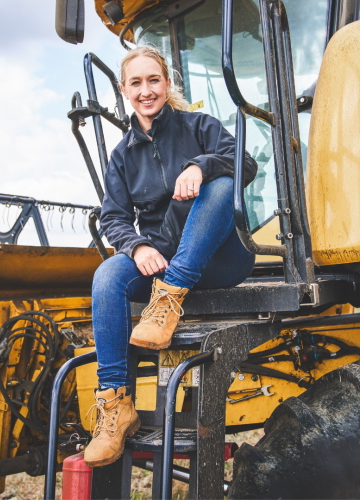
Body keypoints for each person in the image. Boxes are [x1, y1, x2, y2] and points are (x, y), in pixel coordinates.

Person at [83, 46, 258, 467]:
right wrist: (138, 247)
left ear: (166, 84)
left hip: (221, 259)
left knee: (218, 183)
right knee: (107, 276)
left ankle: (167, 301)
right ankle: (115, 405)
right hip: (162, 255)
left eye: (154, 80)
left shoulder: (200, 126)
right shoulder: (123, 155)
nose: (146, 90)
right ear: (124, 90)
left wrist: (201, 165)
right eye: (136, 83)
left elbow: (245, 164)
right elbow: (114, 217)